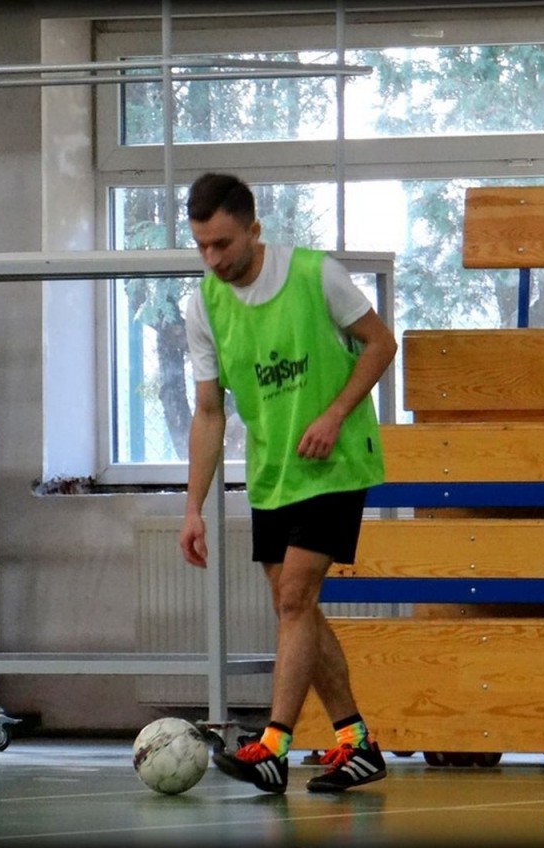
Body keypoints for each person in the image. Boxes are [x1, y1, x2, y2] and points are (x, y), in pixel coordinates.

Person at [178, 173, 397, 794]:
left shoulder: (314, 274)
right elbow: (209, 412)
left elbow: (381, 344)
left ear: (254, 229)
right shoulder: (204, 306)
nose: (212, 258)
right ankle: (356, 742)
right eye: (202, 246)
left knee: (296, 597)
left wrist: (334, 414)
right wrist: (192, 508)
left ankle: (273, 745)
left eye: (223, 243)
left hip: (335, 463)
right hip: (273, 472)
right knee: (292, 607)